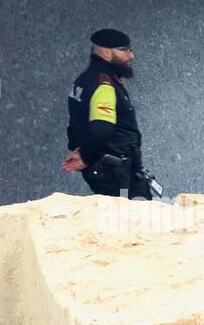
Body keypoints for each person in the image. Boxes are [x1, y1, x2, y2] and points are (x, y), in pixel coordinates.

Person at [62, 28, 155, 200]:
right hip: (117, 173)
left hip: (109, 169)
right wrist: (85, 156)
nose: (131, 55)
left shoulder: (84, 80)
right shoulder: (104, 84)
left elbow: (77, 125)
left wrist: (84, 153)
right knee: (134, 221)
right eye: (124, 50)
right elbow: (102, 128)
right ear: (105, 51)